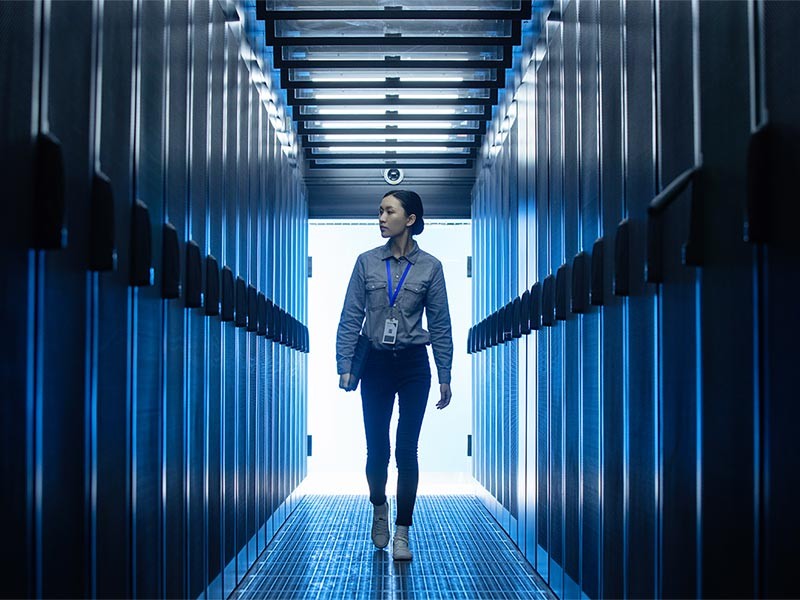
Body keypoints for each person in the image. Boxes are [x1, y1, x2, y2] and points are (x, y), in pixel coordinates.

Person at [336, 190, 453, 561]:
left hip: (414, 364)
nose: (381, 217)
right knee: (377, 450)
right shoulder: (366, 262)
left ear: (411, 219)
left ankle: (403, 531)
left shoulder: (430, 267)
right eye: (380, 211)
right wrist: (344, 365)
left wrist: (444, 373)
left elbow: (441, 324)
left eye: (389, 211)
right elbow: (351, 316)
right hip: (376, 365)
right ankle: (378, 509)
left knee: (407, 450)